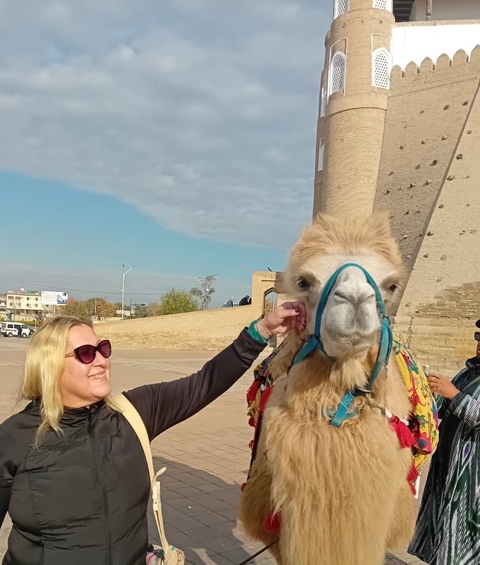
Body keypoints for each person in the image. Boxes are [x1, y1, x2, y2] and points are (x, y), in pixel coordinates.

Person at [0, 302, 306, 565]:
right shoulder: (15, 438)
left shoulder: (133, 413)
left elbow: (205, 382)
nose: (102, 360)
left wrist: (262, 329)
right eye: (85, 353)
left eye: (103, 348)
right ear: (49, 366)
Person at [408, 320, 480, 565]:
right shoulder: (467, 373)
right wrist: (433, 398)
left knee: (464, 541)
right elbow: (448, 409)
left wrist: (455, 394)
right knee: (443, 533)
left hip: (471, 480)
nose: (479, 344)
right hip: (447, 468)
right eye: (479, 337)